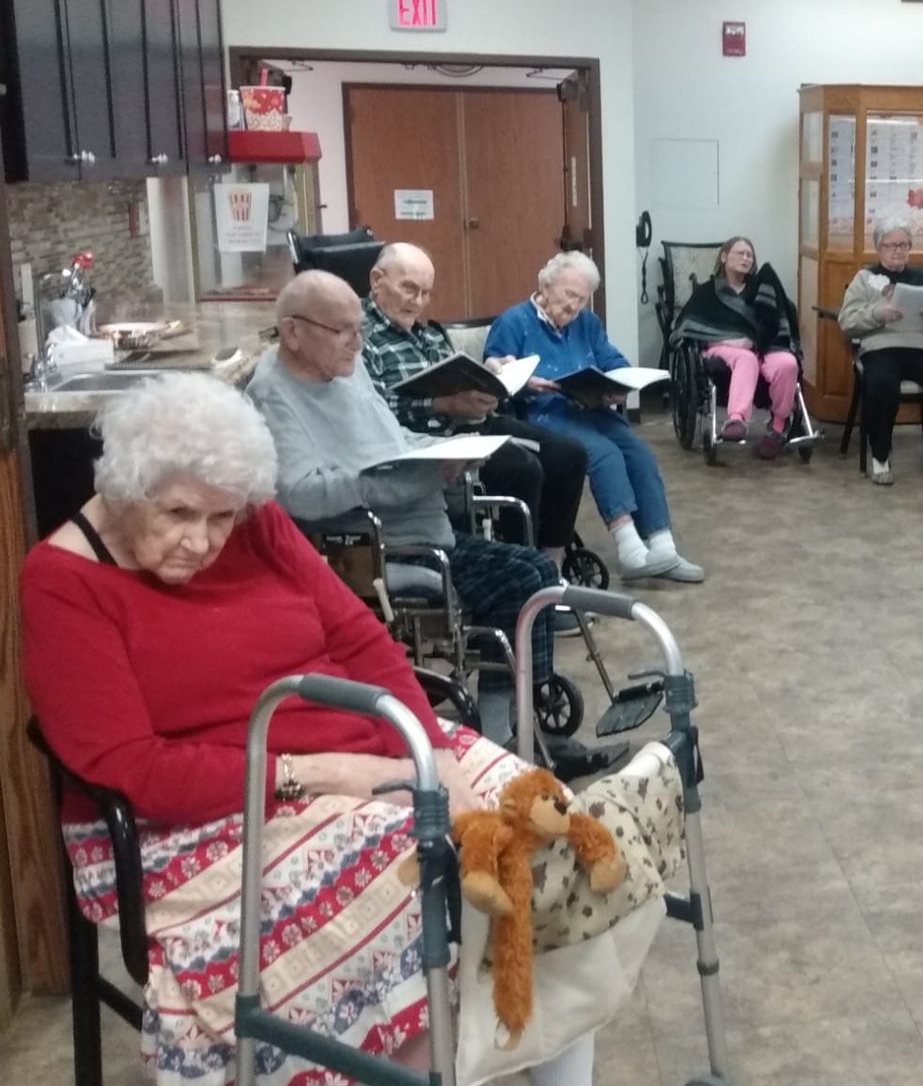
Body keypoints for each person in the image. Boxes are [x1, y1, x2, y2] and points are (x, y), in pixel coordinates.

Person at [20, 372, 648, 1086]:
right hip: (192, 820)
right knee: (427, 877)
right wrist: (314, 774)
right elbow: (132, 768)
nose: (204, 540)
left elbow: (359, 640)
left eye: (221, 516)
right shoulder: (63, 581)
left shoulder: (252, 522)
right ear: (122, 488)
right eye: (178, 514)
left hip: (363, 752)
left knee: (544, 822)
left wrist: (430, 753)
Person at [248, 272, 597, 755]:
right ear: (293, 332)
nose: (358, 342)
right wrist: (420, 476)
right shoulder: (272, 396)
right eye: (343, 331)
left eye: (359, 329)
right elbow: (300, 495)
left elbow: (394, 440)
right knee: (526, 581)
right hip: (373, 548)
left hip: (425, 527)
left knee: (533, 564)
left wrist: (449, 448)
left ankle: (514, 720)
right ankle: (504, 731)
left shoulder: (347, 371)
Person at [360, 242, 589, 566]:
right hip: (427, 437)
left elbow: (454, 374)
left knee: (570, 455)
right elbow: (372, 410)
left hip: (471, 420)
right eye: (409, 289)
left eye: (426, 293)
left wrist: (492, 376)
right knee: (522, 469)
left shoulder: (427, 332)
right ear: (376, 280)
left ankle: (552, 562)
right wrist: (441, 405)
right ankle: (519, 572)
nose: (418, 302)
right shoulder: (360, 335)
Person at [485, 252, 703, 581]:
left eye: (582, 299)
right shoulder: (514, 322)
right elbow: (497, 374)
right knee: (604, 454)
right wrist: (527, 384)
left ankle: (662, 546)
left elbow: (613, 360)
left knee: (638, 452)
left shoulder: (587, 323)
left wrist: (619, 384)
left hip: (589, 407)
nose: (574, 307)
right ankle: (630, 548)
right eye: (568, 295)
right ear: (545, 285)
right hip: (543, 413)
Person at [836, 220, 923, 486]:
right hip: (881, 348)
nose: (898, 251)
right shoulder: (864, 279)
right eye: (891, 245)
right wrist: (877, 313)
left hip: (922, 349)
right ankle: (881, 457)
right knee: (882, 386)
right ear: (878, 248)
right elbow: (847, 321)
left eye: (903, 245)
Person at [669, 235, 802, 459]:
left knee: (788, 364)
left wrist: (757, 340)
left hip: (763, 348)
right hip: (722, 349)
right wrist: (734, 339)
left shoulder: (761, 290)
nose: (746, 258)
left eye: (750, 255)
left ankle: (779, 425)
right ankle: (737, 419)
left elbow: (776, 320)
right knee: (745, 358)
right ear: (724, 257)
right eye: (740, 253)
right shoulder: (707, 292)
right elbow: (687, 325)